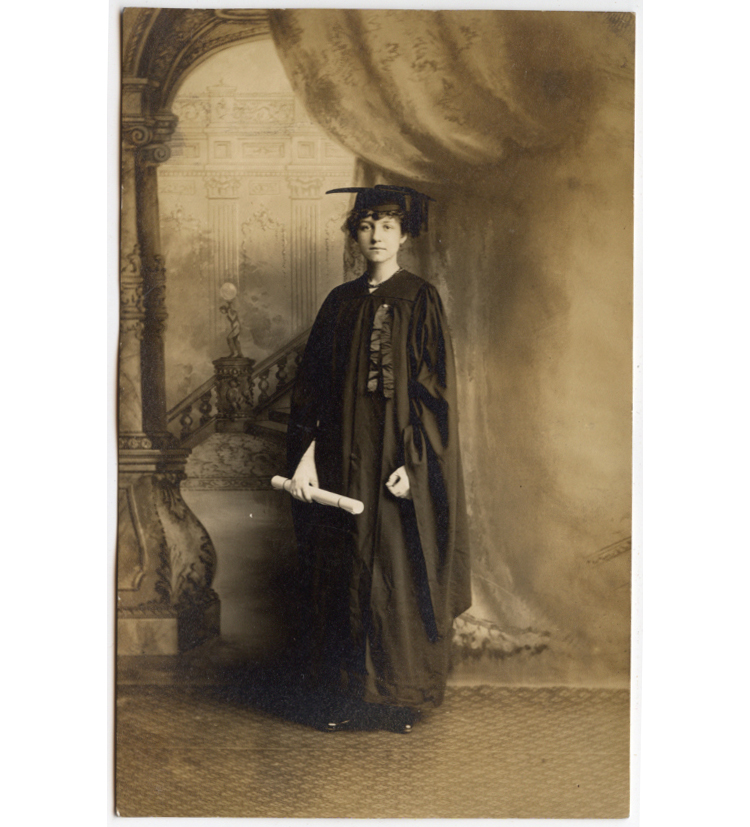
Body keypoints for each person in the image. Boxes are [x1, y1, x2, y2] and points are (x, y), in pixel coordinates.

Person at [286, 185, 470, 733]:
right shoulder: (338, 303)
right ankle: (345, 697)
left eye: (387, 226)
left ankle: (397, 697)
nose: (376, 236)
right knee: (342, 573)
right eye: (366, 225)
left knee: (395, 569)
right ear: (355, 234)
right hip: (341, 462)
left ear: (404, 235)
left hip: (394, 462)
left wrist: (415, 465)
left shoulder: (420, 298)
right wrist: (306, 459)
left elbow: (435, 394)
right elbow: (313, 390)